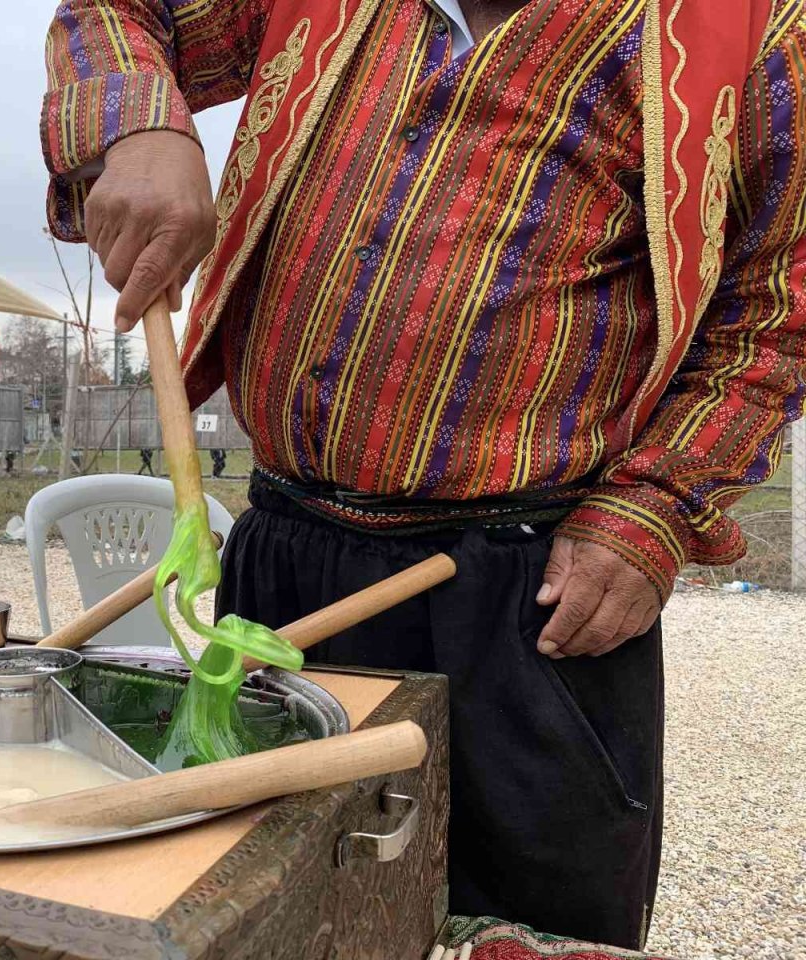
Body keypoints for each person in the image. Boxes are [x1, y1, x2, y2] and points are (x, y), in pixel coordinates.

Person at [40, 0, 806, 948]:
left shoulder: (755, 31)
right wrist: (140, 126)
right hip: (282, 561)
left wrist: (652, 510)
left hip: (529, 596)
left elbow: (776, 314)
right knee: (255, 911)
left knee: (519, 932)